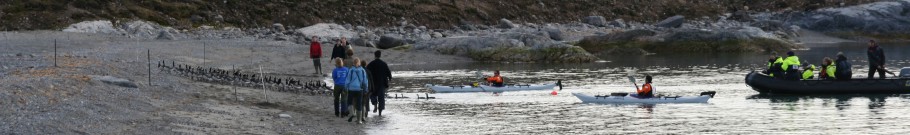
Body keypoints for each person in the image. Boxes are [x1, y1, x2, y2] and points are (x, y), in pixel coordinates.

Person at [366, 50, 392, 116]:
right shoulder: (384, 64)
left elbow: (366, 71)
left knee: (372, 94)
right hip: (382, 83)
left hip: (373, 83)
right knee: (381, 97)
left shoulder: (371, 64)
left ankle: (374, 103)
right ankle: (380, 113)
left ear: (375, 56)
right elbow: (389, 73)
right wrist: (390, 79)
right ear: (380, 56)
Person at [345, 57, 369, 123]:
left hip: (351, 89)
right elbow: (365, 81)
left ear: (353, 63)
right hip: (359, 89)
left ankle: (352, 113)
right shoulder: (362, 70)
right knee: (359, 103)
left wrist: (345, 87)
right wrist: (366, 89)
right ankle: (359, 120)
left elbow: (347, 80)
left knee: (350, 102)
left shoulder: (351, 70)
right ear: (359, 63)